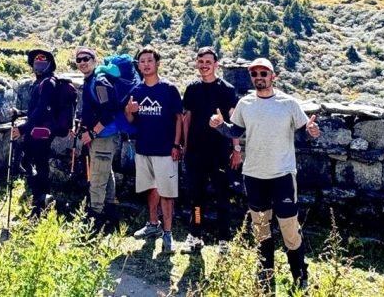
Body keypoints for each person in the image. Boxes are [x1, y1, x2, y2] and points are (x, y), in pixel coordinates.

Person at [210, 57, 320, 291]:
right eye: (255, 74)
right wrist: (220, 125)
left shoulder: (288, 103)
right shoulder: (245, 104)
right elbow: (235, 130)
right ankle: (265, 275)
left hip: (282, 175)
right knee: (260, 227)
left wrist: (311, 131)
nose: (259, 77)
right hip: (254, 175)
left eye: (263, 73)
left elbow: (303, 131)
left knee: (289, 228)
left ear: (273, 76)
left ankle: (300, 275)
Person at [124, 46, 183, 255]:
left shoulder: (169, 89)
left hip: (166, 150)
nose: (146, 64)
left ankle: (168, 233)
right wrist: (129, 112)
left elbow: (179, 118)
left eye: (150, 60)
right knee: (151, 188)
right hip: (144, 148)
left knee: (167, 193)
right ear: (138, 66)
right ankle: (152, 224)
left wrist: (176, 145)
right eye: (142, 61)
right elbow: (130, 119)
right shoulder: (137, 91)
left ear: (157, 63)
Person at [182, 46, 240, 254]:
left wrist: (237, 149)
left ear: (216, 65)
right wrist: (185, 146)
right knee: (197, 197)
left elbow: (235, 121)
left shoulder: (227, 90)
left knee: (222, 197)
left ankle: (224, 239)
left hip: (220, 152)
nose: (204, 65)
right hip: (196, 152)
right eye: (201, 61)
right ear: (197, 63)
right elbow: (187, 119)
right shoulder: (192, 89)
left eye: (208, 62)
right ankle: (196, 235)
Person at [75, 46, 121, 229]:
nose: (83, 62)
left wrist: (92, 133)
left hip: (103, 137)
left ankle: (95, 219)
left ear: (94, 61)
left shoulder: (99, 82)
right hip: (101, 137)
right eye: (79, 60)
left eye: (86, 58)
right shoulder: (90, 81)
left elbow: (109, 111)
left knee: (96, 178)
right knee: (105, 173)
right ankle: (110, 211)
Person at [11, 48, 57, 217]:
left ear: (49, 65)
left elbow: (42, 110)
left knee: (40, 166)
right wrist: (21, 113)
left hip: (41, 133)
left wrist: (23, 128)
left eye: (42, 63)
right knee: (31, 163)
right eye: (36, 63)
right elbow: (35, 110)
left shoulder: (48, 84)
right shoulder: (40, 82)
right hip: (36, 131)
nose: (38, 65)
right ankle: (39, 200)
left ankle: (40, 205)